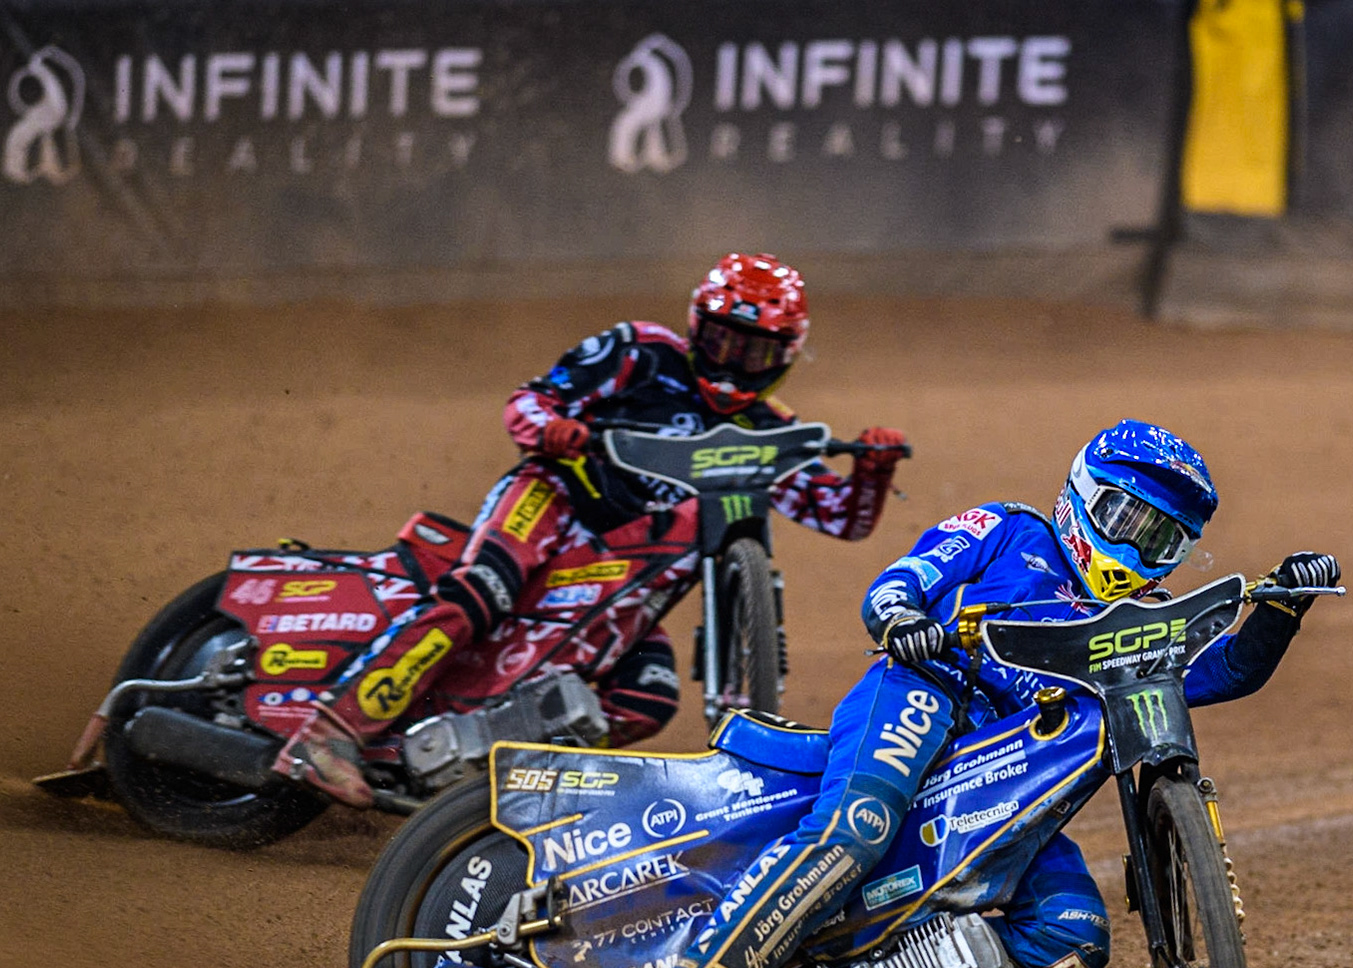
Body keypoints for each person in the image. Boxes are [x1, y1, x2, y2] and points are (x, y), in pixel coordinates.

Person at [635, 420, 1341, 968]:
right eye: (1126, 520)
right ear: (1082, 497)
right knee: (858, 823)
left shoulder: (1138, 625)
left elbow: (1226, 671)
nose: (1135, 548)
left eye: (1161, 538)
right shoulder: (1008, 528)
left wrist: (1283, 610)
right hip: (926, 694)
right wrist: (903, 620)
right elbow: (899, 581)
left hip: (1011, 780)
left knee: (1075, 934)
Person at [278, 253, 909, 807]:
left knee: (649, 695)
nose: (735, 364)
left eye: (756, 352)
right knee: (482, 591)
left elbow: (837, 515)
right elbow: (528, 402)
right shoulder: (640, 352)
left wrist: (873, 472)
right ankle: (329, 733)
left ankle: (480, 787)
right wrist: (553, 429)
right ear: (697, 327)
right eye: (723, 343)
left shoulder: (768, 431)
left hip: (625, 576)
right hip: (554, 500)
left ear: (786, 357)